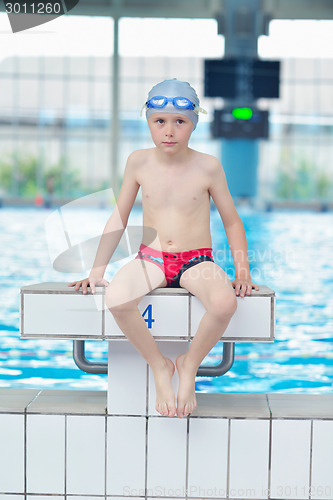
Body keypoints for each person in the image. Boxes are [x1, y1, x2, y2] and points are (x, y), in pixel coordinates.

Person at [69, 78, 258, 419]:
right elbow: (119, 218)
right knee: (116, 299)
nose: (169, 131)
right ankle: (159, 366)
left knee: (224, 303)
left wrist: (242, 271)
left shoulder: (208, 166)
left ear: (193, 124)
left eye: (179, 122)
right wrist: (97, 271)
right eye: (160, 121)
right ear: (148, 122)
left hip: (196, 260)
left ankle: (189, 365)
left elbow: (231, 221)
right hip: (151, 259)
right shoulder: (139, 162)